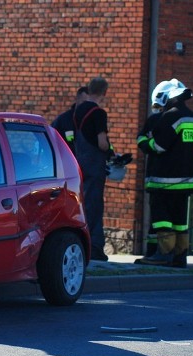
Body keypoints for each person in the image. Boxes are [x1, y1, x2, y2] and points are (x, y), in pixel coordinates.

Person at [135, 78, 193, 267]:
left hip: (165, 180)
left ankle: (164, 254)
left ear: (165, 97)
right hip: (187, 180)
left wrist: (142, 140)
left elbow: (158, 146)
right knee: (179, 219)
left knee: (161, 217)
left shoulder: (170, 117)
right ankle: (180, 256)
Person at [73, 77, 112, 261]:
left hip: (80, 161)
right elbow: (102, 143)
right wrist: (112, 152)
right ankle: (95, 247)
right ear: (104, 92)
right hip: (95, 164)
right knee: (95, 205)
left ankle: (83, 243)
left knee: (83, 204)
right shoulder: (99, 114)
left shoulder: (78, 110)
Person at [136, 89, 165, 256]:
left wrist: (150, 146)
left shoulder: (154, 120)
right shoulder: (172, 119)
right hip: (168, 177)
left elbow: (140, 140)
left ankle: (153, 252)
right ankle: (164, 252)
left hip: (154, 175)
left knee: (157, 217)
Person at [51, 86, 88, 153]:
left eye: (89, 103)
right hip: (67, 161)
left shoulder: (94, 121)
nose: (86, 106)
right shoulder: (63, 120)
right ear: (77, 99)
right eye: (84, 102)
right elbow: (52, 140)